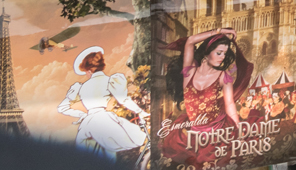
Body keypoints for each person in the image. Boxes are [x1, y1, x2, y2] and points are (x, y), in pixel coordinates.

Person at [159, 29, 252, 161]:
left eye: (224, 54)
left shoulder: (223, 76)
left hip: (217, 132)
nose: (222, 57)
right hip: (192, 132)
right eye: (219, 53)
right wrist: (219, 31)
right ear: (207, 53)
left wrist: (238, 131)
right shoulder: (188, 72)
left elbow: (230, 104)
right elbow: (190, 41)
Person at [60, 45, 148, 158]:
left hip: (87, 125)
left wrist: (83, 114)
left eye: (86, 72)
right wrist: (141, 112)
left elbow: (63, 108)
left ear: (89, 71)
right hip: (104, 121)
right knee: (124, 145)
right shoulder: (110, 81)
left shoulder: (80, 87)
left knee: (88, 158)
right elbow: (123, 100)